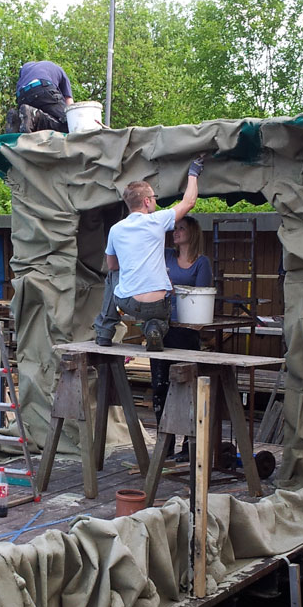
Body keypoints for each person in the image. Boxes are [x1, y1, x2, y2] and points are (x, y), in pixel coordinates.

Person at [100, 157, 203, 352]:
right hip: (158, 302)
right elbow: (189, 202)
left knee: (113, 276)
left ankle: (104, 331)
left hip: (128, 302)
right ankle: (154, 327)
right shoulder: (158, 220)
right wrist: (193, 172)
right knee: (160, 317)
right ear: (147, 201)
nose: (155, 201)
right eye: (154, 198)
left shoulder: (116, 229)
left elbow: (112, 266)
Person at [149, 215, 213, 456]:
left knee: (186, 386)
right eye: (174, 228)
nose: (175, 232)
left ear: (192, 233)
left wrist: (175, 290)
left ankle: (189, 444)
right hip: (161, 326)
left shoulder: (201, 263)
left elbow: (200, 295)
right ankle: (164, 444)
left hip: (186, 330)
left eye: (181, 228)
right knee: (159, 385)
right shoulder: (166, 255)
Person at [8, 61, 73, 133]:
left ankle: (17, 121)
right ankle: (35, 116)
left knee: (28, 120)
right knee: (69, 123)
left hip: (22, 95)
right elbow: (71, 107)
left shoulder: (26, 66)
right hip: (43, 87)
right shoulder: (61, 72)